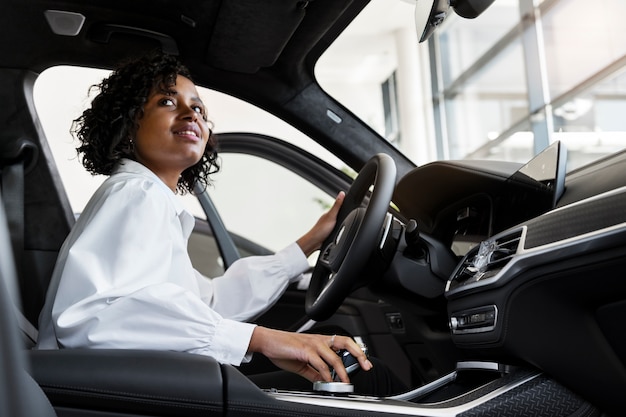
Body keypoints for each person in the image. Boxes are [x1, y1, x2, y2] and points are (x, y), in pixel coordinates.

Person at [36, 52, 403, 395]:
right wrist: (260, 339)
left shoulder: (147, 197)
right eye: (167, 102)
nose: (190, 114)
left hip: (146, 385)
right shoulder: (136, 193)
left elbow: (211, 302)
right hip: (127, 396)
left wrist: (308, 243)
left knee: (338, 353)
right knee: (368, 378)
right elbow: (90, 319)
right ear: (128, 123)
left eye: (197, 107)